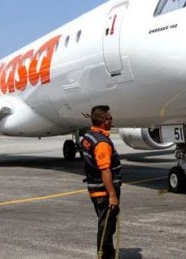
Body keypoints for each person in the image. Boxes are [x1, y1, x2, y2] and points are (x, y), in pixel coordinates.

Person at [81, 105, 122, 259]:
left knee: (106, 225)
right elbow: (105, 170)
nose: (112, 121)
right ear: (104, 121)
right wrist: (112, 195)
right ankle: (103, 256)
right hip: (103, 192)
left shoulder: (89, 136)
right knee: (106, 227)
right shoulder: (102, 143)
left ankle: (108, 254)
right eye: (110, 118)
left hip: (95, 188)